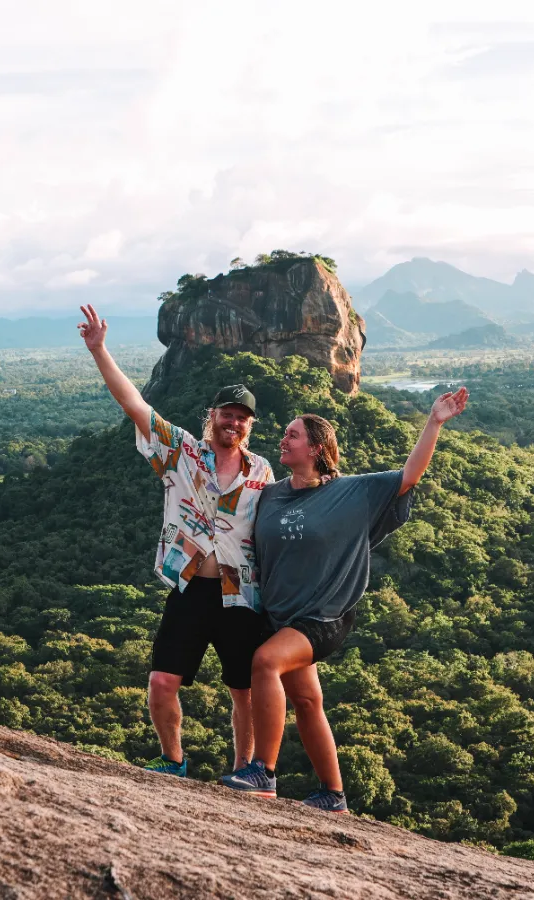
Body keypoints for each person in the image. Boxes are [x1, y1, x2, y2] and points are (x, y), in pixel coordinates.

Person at [221, 387, 469, 810]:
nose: (283, 439)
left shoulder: (353, 493)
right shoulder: (272, 494)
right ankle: (333, 795)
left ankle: (263, 769)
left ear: (316, 449)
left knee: (265, 662)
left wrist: (434, 422)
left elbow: (410, 474)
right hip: (281, 616)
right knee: (306, 700)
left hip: (325, 615)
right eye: (284, 433)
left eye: (293, 435)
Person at [78, 304, 275, 778]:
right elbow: (134, 405)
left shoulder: (263, 471)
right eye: (227, 414)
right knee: (162, 682)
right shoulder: (183, 452)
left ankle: (245, 770)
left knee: (243, 689)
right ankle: (174, 761)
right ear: (212, 417)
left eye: (242, 418)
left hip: (240, 595)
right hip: (190, 587)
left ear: (250, 426)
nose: (234, 422)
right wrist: (99, 350)